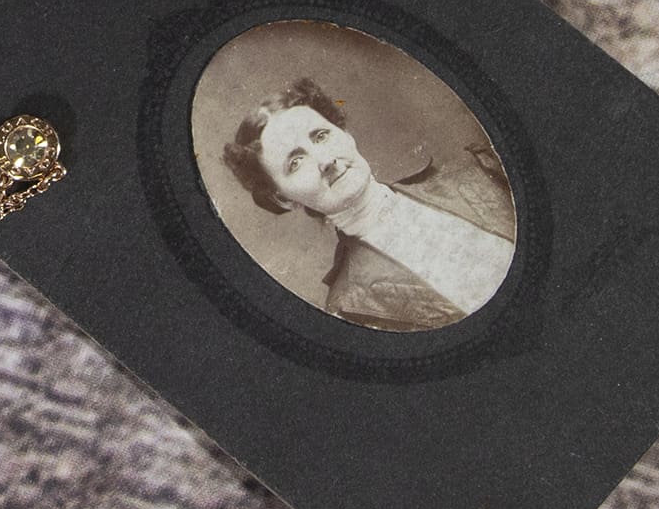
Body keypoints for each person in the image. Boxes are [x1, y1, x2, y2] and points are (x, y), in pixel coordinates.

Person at [220, 77, 515, 331]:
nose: (325, 160)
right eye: (295, 162)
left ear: (345, 133)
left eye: (321, 136)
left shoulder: (481, 172)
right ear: (282, 198)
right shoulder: (351, 311)